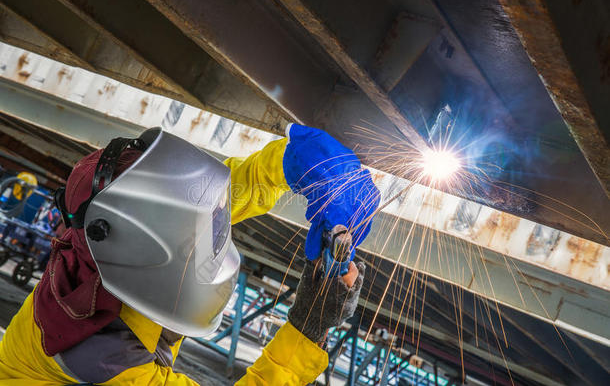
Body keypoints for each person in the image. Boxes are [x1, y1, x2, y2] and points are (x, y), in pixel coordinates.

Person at [0, 124, 380, 385]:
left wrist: (294, 160)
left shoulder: (116, 249)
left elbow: (218, 197)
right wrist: (307, 329)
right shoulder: (100, 354)